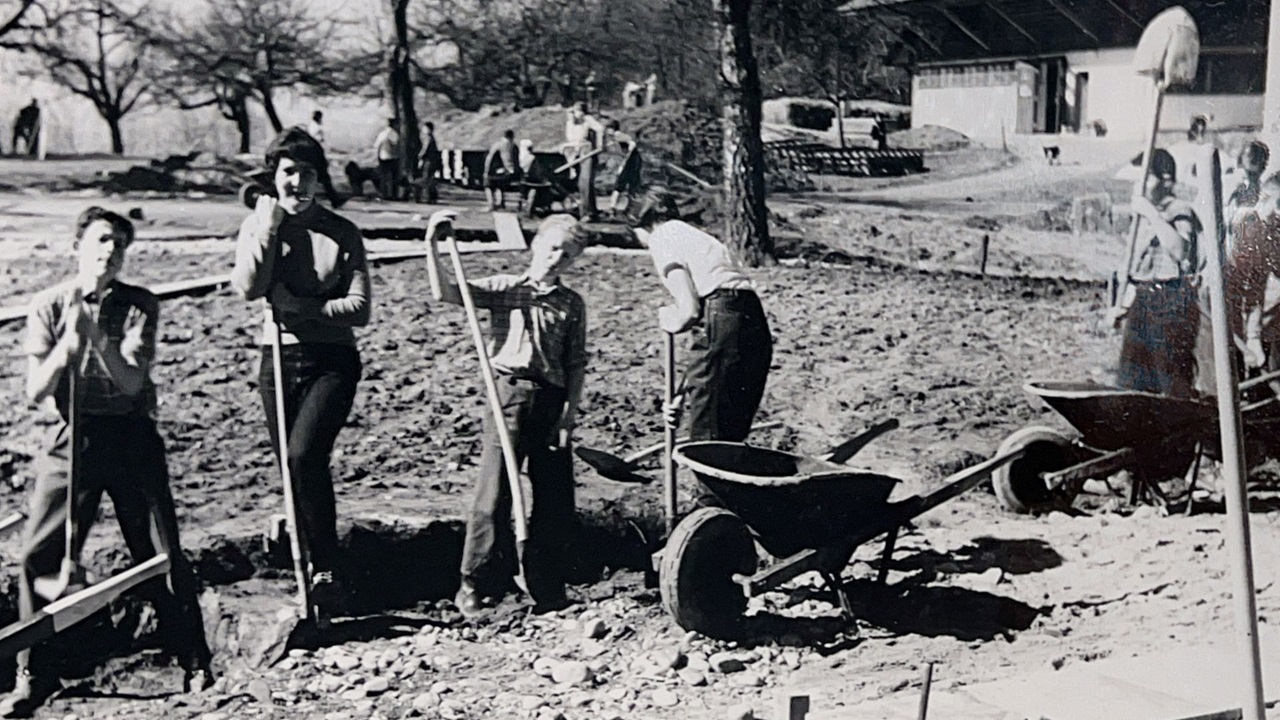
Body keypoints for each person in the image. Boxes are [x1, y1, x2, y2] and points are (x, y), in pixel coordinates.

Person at [6, 207, 214, 717]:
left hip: (130, 435)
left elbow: (131, 382)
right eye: (101, 240)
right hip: (70, 435)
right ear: (78, 245)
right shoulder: (48, 303)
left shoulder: (140, 304)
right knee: (41, 552)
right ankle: (34, 673)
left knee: (160, 550)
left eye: (120, 244)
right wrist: (67, 347)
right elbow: (36, 391)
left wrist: (96, 338)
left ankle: (191, 657)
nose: (110, 252)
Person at [231, 127, 371, 617]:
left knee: (304, 455)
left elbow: (359, 307)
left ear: (319, 179)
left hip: (331, 360)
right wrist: (266, 227)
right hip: (277, 359)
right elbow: (248, 287)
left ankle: (327, 568)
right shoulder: (259, 224)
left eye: (308, 173)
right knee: (296, 472)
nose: (298, 182)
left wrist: (307, 308)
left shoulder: (341, 231)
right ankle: (309, 568)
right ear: (274, 177)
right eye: (289, 172)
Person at [425, 210, 587, 616]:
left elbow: (575, 362)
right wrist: (432, 245)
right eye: (552, 249)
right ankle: (474, 580)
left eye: (567, 255)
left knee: (554, 496)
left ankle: (546, 580)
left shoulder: (571, 304)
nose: (556, 259)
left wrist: (569, 414)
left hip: (551, 400)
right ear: (536, 246)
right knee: (494, 491)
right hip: (508, 398)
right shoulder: (507, 288)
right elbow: (447, 291)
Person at [625, 186, 773, 504]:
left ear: (641, 224)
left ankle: (708, 517)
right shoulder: (697, 237)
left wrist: (670, 320)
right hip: (751, 319)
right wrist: (680, 395)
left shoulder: (661, 238)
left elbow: (690, 311)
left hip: (722, 319)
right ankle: (732, 511)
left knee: (707, 440)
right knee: (730, 430)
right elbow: (710, 347)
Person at [1106, 148, 1202, 398]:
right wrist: (1122, 306)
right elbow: (1135, 267)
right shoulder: (1140, 218)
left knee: (1169, 380)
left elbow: (1181, 252)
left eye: (1145, 179)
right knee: (1131, 379)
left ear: (1167, 181)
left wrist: (1152, 213)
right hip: (1143, 301)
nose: (1138, 186)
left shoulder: (1179, 210)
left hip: (1171, 304)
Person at [563, 102, 606, 222]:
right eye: (573, 111)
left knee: (586, 181)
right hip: (574, 152)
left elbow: (600, 129)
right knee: (580, 183)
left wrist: (600, 145)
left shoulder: (587, 120)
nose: (575, 114)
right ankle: (587, 210)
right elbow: (571, 140)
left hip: (587, 151)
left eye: (578, 111)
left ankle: (589, 213)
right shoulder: (569, 124)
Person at [605, 120, 643, 217]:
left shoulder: (618, 135)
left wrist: (625, 161)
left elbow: (632, 143)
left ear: (612, 129)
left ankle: (615, 208)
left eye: (608, 129)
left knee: (623, 184)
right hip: (629, 161)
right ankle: (622, 208)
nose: (607, 131)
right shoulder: (613, 138)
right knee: (626, 185)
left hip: (632, 161)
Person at [484, 130, 521, 210]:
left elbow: (489, 159)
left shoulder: (498, 145)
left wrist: (486, 171)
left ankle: (491, 204)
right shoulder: (514, 146)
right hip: (507, 173)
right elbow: (515, 161)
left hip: (497, 172)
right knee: (500, 185)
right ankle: (500, 203)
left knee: (488, 185)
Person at [373, 117, 401, 200]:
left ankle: (384, 194)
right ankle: (393, 194)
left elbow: (376, 145)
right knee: (393, 177)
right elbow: (396, 145)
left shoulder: (382, 134)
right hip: (393, 157)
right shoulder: (394, 134)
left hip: (382, 157)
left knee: (384, 177)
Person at [415, 120, 441, 204]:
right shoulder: (432, 138)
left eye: (425, 128)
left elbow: (425, 149)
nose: (423, 129)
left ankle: (427, 197)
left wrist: (419, 156)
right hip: (432, 161)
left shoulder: (428, 138)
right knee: (430, 179)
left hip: (428, 161)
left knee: (426, 179)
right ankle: (432, 197)